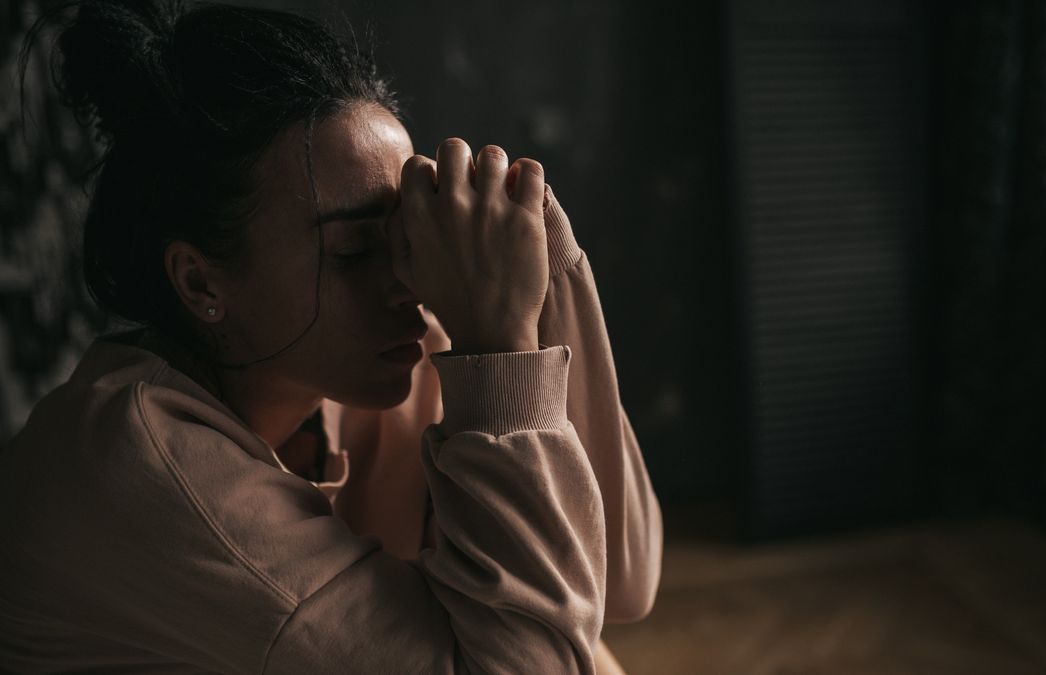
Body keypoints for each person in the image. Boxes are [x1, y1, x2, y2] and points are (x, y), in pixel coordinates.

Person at [0, 0, 662, 672]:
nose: (407, 282)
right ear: (201, 283)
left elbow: (616, 585)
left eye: (404, 234)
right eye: (352, 251)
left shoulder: (388, 362)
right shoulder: (142, 465)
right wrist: (500, 349)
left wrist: (544, 247)